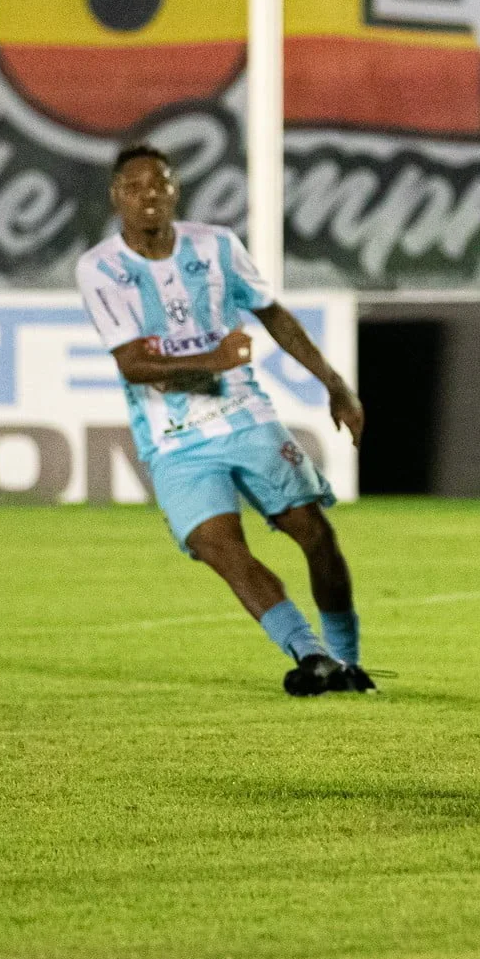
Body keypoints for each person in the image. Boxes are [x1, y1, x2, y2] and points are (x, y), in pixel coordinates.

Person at [76, 145, 372, 696]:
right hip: (173, 440)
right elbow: (134, 365)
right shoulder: (101, 269)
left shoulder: (216, 246)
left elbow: (273, 315)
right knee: (221, 547)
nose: (150, 195)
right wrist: (213, 360)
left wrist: (334, 383)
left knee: (314, 534)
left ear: (176, 189)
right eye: (136, 186)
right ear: (117, 196)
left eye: (160, 183)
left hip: (245, 418)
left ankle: (349, 661)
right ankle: (311, 656)